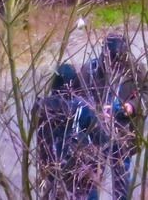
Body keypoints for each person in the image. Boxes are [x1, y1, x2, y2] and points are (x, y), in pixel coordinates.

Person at [83, 35, 148, 200]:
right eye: (110, 60)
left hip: (123, 133)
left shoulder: (137, 69)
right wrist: (96, 111)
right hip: (96, 133)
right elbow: (79, 98)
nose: (113, 64)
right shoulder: (91, 69)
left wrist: (132, 106)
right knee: (90, 178)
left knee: (121, 180)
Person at [32, 63, 107, 200]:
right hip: (80, 170)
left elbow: (38, 131)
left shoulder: (41, 107)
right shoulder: (83, 107)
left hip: (51, 168)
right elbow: (101, 138)